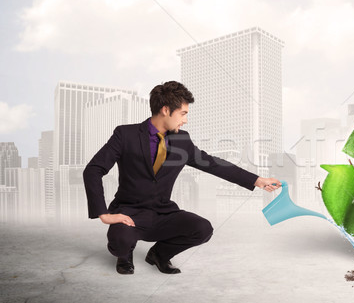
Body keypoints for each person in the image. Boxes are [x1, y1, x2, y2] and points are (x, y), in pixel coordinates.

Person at [83, 81, 281, 275]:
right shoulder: (125, 134)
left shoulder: (181, 140)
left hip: (162, 212)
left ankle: (158, 255)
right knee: (120, 242)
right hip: (129, 213)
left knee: (202, 229)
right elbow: (93, 170)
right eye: (183, 113)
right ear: (166, 110)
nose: (185, 120)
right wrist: (104, 214)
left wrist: (256, 180)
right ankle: (125, 255)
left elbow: (212, 163)